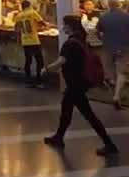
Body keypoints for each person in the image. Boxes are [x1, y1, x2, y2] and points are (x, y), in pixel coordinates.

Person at [43, 15, 119, 156]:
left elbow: (61, 61)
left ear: (70, 26)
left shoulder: (70, 44)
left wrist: (46, 69)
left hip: (75, 84)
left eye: (64, 25)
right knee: (68, 111)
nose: (62, 27)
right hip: (80, 82)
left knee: (87, 114)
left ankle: (109, 144)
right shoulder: (81, 40)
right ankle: (59, 137)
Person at [96, 0, 129, 110]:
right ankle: (117, 96)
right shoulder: (127, 16)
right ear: (119, 4)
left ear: (108, 5)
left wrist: (102, 39)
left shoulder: (103, 17)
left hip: (107, 47)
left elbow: (97, 31)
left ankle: (113, 86)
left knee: (110, 71)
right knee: (122, 72)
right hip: (124, 46)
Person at [14, 0, 47, 88]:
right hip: (34, 40)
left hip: (25, 40)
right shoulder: (33, 13)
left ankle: (28, 80)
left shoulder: (19, 15)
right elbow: (42, 23)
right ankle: (39, 81)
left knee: (28, 61)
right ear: (29, 5)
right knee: (39, 61)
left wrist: (18, 40)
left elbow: (16, 29)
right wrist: (47, 26)